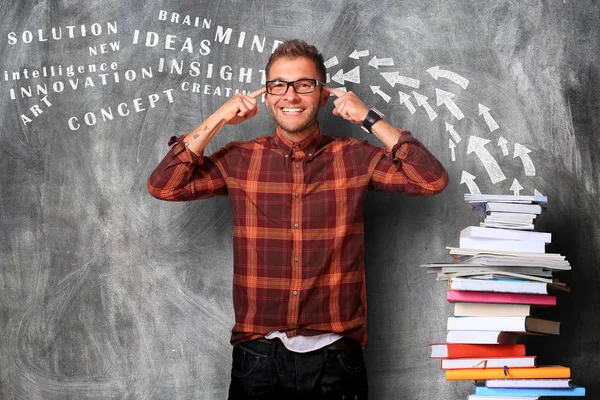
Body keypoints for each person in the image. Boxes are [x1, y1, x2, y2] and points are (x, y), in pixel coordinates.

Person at [147, 39, 448, 399]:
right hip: (257, 357)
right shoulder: (239, 159)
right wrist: (218, 119)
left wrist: (369, 118)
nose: (291, 96)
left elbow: (431, 180)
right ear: (266, 94)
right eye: (278, 85)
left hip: (338, 359)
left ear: (322, 94)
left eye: (304, 85)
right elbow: (164, 186)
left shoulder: (355, 157)